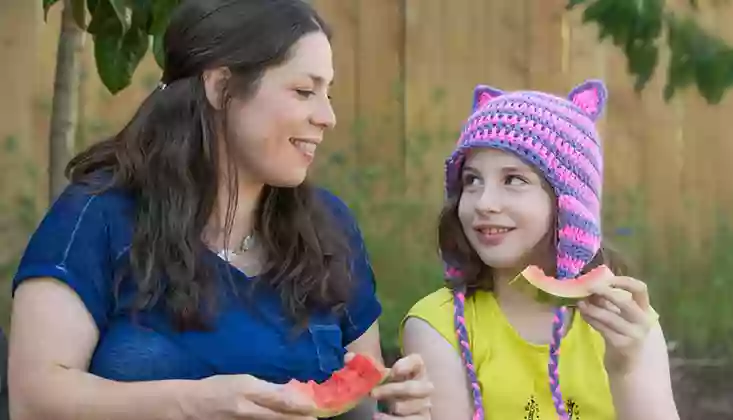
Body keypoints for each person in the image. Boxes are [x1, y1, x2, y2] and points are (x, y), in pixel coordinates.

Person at [8, 1, 432, 419]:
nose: (328, 117)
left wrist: (395, 408)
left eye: (328, 93)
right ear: (220, 87)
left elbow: (359, 397)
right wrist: (193, 402)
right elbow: (35, 398)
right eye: (304, 91)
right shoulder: (99, 215)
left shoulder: (331, 229)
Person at [400, 80, 680, 420]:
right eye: (472, 180)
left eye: (513, 180)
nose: (484, 203)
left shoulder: (628, 324)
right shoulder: (435, 326)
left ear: (570, 205)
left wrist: (626, 371)